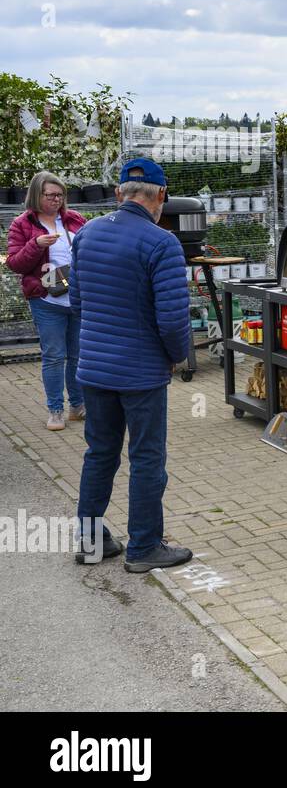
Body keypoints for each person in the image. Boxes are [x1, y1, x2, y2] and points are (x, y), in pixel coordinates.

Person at [71, 158, 193, 571]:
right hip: (140, 372)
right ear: (161, 196)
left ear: (119, 193)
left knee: (99, 453)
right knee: (146, 458)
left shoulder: (86, 234)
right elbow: (172, 320)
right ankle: (144, 547)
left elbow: (78, 303)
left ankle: (90, 542)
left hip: (93, 368)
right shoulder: (162, 243)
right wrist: (175, 356)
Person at [6, 171, 87, 430]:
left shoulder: (74, 219)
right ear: (36, 194)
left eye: (60, 195)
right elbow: (15, 264)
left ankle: (78, 406)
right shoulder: (22, 224)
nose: (56, 199)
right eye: (50, 195)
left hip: (76, 297)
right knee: (54, 356)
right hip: (46, 300)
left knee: (77, 355)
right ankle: (55, 410)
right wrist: (36, 244)